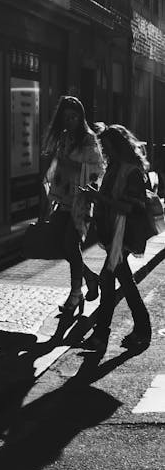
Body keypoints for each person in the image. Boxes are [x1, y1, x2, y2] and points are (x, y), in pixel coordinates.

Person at [80, 124, 152, 353]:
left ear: (118, 147)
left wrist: (99, 197)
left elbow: (129, 207)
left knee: (112, 282)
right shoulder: (114, 168)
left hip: (124, 234)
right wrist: (94, 198)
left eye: (108, 147)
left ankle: (113, 334)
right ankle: (134, 331)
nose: (105, 152)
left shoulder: (131, 171)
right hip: (114, 233)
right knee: (117, 282)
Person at [41, 96, 105, 314]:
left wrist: (72, 165)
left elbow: (95, 171)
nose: (70, 121)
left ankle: (75, 295)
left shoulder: (88, 139)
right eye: (66, 117)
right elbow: (58, 170)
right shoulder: (64, 138)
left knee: (70, 243)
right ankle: (90, 278)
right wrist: (51, 200)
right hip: (63, 199)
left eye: (73, 117)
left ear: (81, 117)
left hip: (82, 200)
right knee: (62, 245)